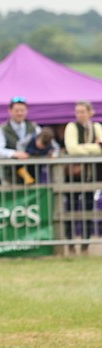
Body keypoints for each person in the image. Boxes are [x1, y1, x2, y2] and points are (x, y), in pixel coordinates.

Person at [63, 101, 102, 247]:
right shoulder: (71, 127)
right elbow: (72, 148)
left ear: (90, 112)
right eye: (77, 111)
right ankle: (70, 243)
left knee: (88, 208)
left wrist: (84, 147)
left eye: (83, 111)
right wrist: (93, 147)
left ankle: (86, 243)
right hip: (73, 175)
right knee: (70, 208)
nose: (80, 114)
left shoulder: (96, 127)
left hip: (90, 175)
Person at [0, 97, 40, 183]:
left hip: (34, 175)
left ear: (27, 111)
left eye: (22, 110)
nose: (20, 113)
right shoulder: (1, 129)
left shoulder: (35, 128)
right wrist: (14, 154)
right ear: (10, 111)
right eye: (17, 110)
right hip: (10, 177)